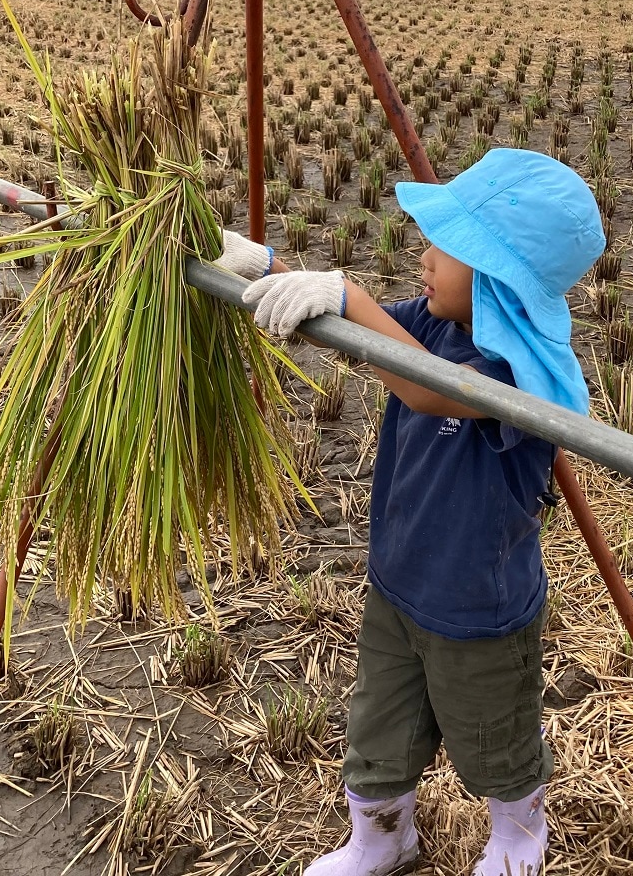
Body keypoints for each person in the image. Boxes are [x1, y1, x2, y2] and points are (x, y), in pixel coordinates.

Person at [216, 148, 605, 876]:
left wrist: (346, 297)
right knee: (379, 729)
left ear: (497, 279)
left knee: (495, 741)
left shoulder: (519, 376)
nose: (423, 257)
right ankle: (381, 839)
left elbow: (429, 390)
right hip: (397, 587)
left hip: (480, 611)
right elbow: (366, 328)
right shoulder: (431, 323)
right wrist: (263, 263)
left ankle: (520, 837)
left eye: (446, 248)